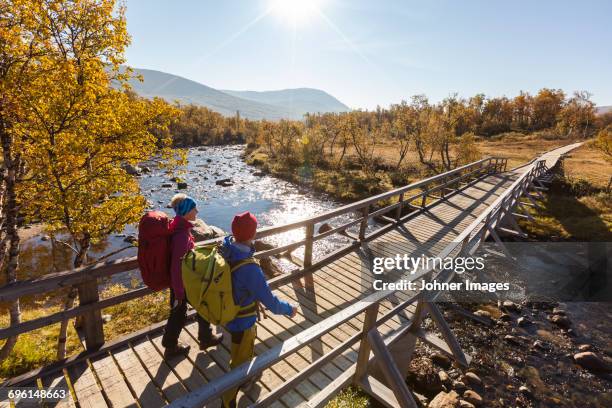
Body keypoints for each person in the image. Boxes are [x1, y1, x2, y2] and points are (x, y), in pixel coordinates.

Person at [220, 211, 298, 408]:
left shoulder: (226, 249)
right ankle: (227, 402)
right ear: (252, 234)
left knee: (240, 355)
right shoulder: (250, 269)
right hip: (242, 322)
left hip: (230, 315)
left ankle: (244, 380)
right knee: (237, 365)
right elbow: (270, 302)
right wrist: (290, 309)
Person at [161, 193, 223, 356]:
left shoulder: (179, 228)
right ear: (186, 211)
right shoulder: (181, 235)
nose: (197, 211)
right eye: (194, 208)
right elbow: (176, 266)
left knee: (181, 313)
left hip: (182, 282)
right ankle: (202, 339)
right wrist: (180, 292)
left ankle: (173, 345)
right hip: (183, 283)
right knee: (193, 309)